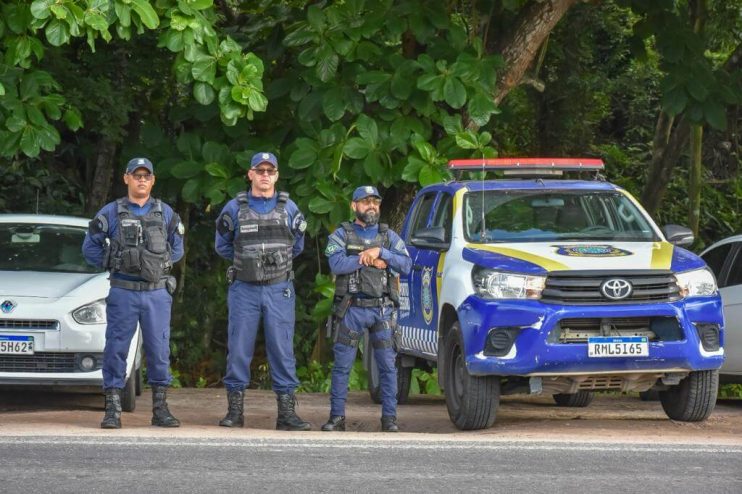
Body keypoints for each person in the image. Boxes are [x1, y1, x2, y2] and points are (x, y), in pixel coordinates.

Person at [83, 157, 185, 429]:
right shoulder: (111, 212)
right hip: (124, 290)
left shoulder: (165, 213)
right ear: (126, 178)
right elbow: (89, 247)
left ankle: (160, 409)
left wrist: (156, 265)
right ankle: (112, 409)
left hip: (156, 293)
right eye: (136, 175)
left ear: (152, 180)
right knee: (116, 348)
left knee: (159, 348)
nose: (141, 179)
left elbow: (177, 248)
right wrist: (112, 261)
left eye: (146, 176)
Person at [214, 152, 310, 430]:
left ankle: (287, 414)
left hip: (279, 288)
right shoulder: (234, 208)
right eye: (260, 170)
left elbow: (298, 244)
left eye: (270, 170)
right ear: (251, 174)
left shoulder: (289, 208)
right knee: (239, 348)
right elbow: (222, 245)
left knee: (282, 349)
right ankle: (235, 412)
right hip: (244, 288)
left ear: (277, 175)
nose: (265, 174)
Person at [321, 186, 412, 432]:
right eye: (365, 202)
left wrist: (383, 253)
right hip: (351, 309)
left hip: (382, 310)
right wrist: (366, 258)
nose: (371, 206)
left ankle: (389, 420)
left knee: (387, 366)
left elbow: (406, 264)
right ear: (354, 206)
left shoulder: (388, 236)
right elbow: (336, 263)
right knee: (342, 367)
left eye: (375, 202)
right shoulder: (342, 234)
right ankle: (336, 418)